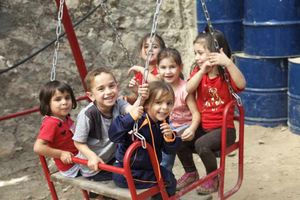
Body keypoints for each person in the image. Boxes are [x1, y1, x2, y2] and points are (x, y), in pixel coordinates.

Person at [176, 31, 246, 194]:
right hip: (205, 128)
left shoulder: (225, 74)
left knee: (202, 144)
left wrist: (228, 63)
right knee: (178, 139)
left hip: (224, 130)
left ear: (215, 52)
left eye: (200, 53)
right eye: (195, 53)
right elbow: (188, 89)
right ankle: (191, 172)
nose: (197, 57)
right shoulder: (199, 73)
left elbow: (241, 84)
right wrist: (201, 72)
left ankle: (212, 178)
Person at [72, 67, 148, 198]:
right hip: (95, 166)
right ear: (91, 95)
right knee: (125, 177)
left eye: (111, 86)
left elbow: (132, 111)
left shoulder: (118, 103)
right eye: (101, 89)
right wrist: (91, 156)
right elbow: (78, 142)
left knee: (135, 168)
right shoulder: (88, 114)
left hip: (112, 159)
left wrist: (142, 97)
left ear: (117, 87)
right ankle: (98, 194)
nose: (108, 92)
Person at [108, 81, 181, 198]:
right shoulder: (137, 120)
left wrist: (170, 138)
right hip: (127, 174)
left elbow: (169, 151)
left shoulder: (162, 122)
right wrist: (130, 117)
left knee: (168, 178)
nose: (164, 108)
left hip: (146, 170)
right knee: (169, 181)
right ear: (147, 104)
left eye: (169, 103)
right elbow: (113, 135)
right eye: (158, 102)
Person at [157, 47, 200, 173]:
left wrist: (192, 129)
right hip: (169, 124)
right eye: (163, 67)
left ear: (180, 67)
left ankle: (164, 177)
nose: (168, 71)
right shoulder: (162, 87)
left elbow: (196, 113)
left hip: (183, 126)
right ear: (158, 69)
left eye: (172, 67)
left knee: (168, 141)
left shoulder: (184, 89)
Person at [33, 80, 80, 178]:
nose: (64, 102)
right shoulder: (51, 123)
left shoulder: (65, 118)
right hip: (72, 166)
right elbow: (38, 147)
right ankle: (98, 193)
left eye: (67, 98)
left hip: (80, 158)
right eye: (58, 99)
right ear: (47, 104)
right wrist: (61, 154)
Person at [126, 33, 166, 104]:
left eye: (155, 47)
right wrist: (134, 92)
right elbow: (141, 98)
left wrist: (141, 69)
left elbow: (157, 83)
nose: (150, 49)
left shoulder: (162, 70)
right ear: (140, 53)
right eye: (146, 46)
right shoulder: (139, 74)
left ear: (162, 52)